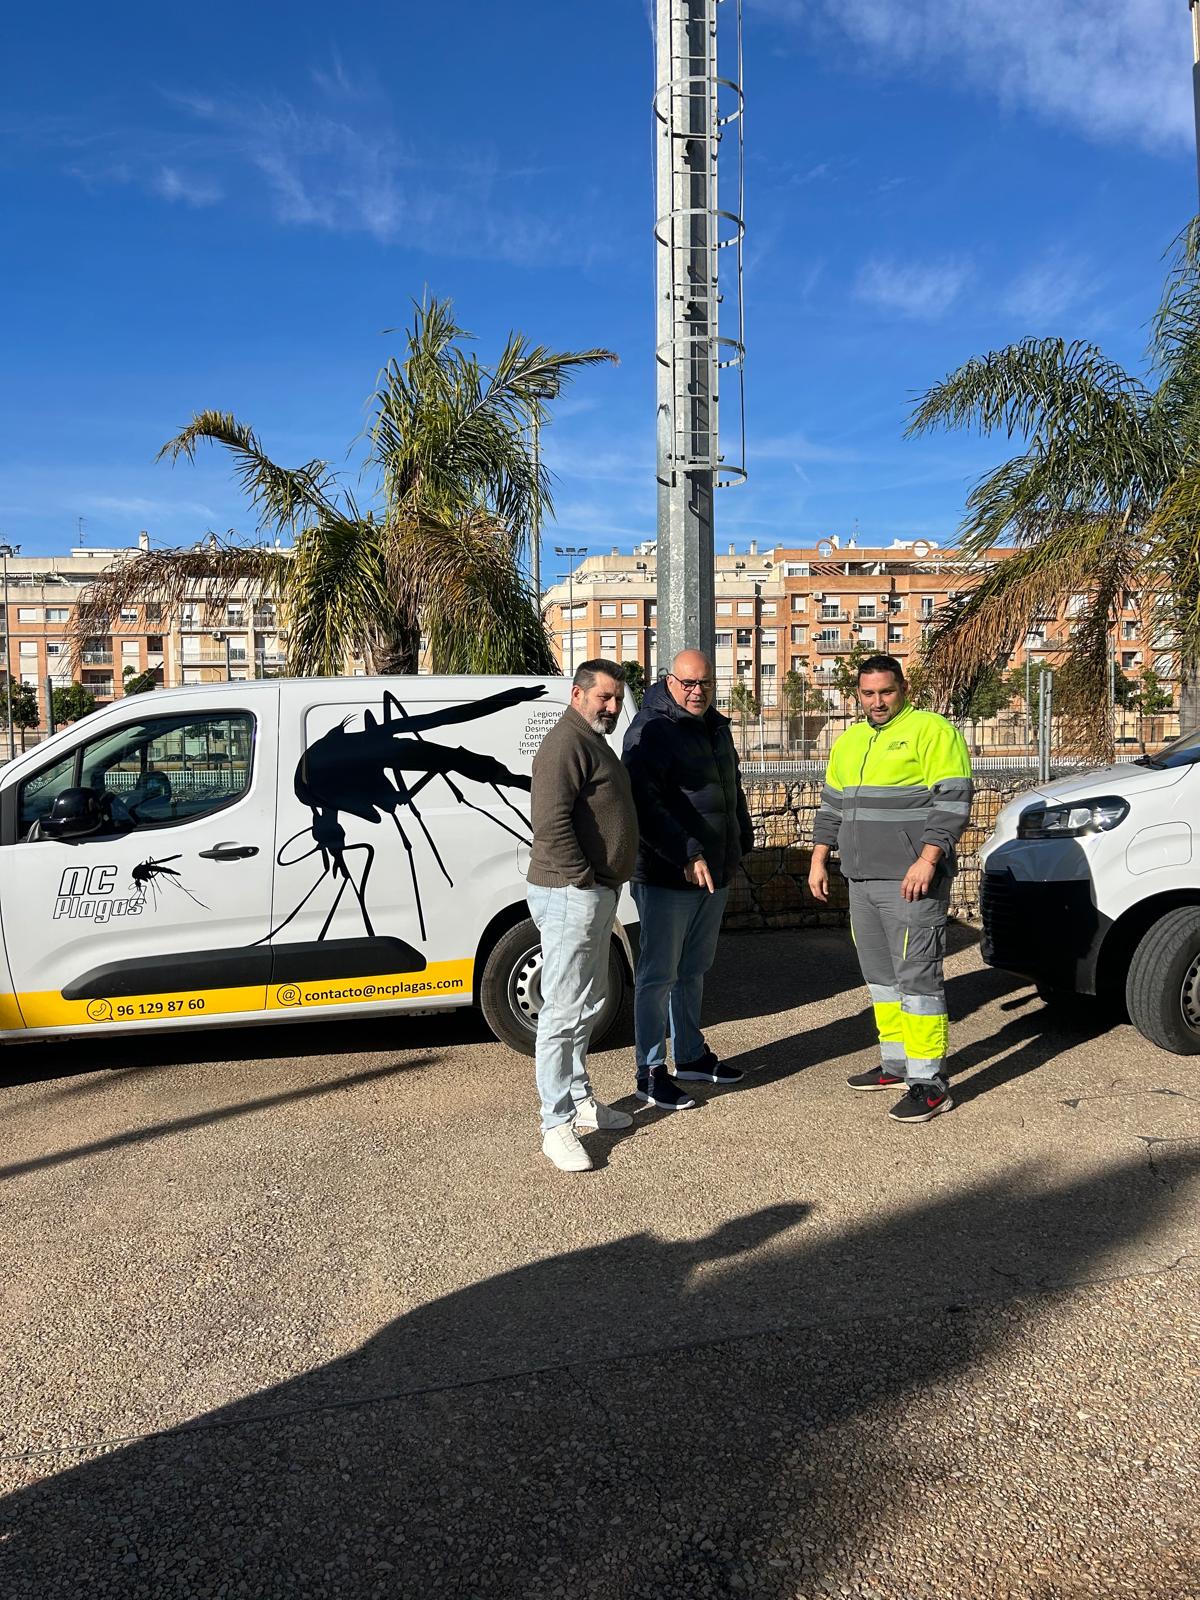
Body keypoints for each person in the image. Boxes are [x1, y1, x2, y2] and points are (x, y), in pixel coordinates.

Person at [808, 654, 973, 1123]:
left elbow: (953, 801)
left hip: (911, 881)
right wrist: (819, 859)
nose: (877, 702)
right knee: (882, 979)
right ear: (857, 695)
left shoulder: (932, 730)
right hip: (861, 881)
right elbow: (832, 806)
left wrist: (927, 860)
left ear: (903, 689)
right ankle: (897, 1065)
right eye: (868, 693)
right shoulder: (850, 741)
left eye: (886, 692)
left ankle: (930, 1081)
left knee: (918, 980)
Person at [622, 648, 752, 1109]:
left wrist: (742, 838)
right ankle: (650, 1071)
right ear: (669, 681)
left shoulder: (715, 726)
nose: (698, 692)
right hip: (667, 875)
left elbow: (732, 787)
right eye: (689, 683)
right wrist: (686, 852)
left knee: (693, 969)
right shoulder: (651, 730)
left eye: (706, 683)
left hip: (713, 872)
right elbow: (644, 804)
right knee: (658, 975)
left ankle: (691, 1056)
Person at [527, 659, 639, 1171]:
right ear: (578, 695)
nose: (611, 707)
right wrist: (584, 878)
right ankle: (555, 1125)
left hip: (592, 893)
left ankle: (579, 1100)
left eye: (616, 699)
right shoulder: (565, 744)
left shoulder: (590, 739)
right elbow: (550, 823)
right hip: (571, 893)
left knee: (587, 1003)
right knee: (562, 1010)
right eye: (603, 697)